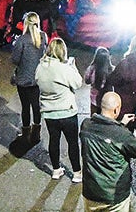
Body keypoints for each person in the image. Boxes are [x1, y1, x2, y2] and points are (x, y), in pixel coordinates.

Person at [79, 90, 136, 212]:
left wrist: (121, 124)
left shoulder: (86, 125)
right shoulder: (121, 134)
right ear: (116, 110)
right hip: (114, 195)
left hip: (91, 192)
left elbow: (106, 134)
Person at [36, 36, 84, 181]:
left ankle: (56, 169)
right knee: (72, 142)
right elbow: (77, 83)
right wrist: (72, 67)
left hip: (50, 113)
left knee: (54, 140)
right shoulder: (64, 68)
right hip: (67, 111)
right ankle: (76, 172)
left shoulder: (40, 67)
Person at [10, 12, 48, 141]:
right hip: (38, 78)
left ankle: (26, 133)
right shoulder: (43, 37)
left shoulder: (22, 40)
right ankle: (36, 133)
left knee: (25, 107)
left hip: (23, 79)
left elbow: (15, 59)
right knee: (36, 106)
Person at [84, 46, 113, 115]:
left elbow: (87, 81)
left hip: (94, 100)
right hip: (107, 100)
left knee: (94, 118)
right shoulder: (111, 70)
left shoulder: (91, 69)